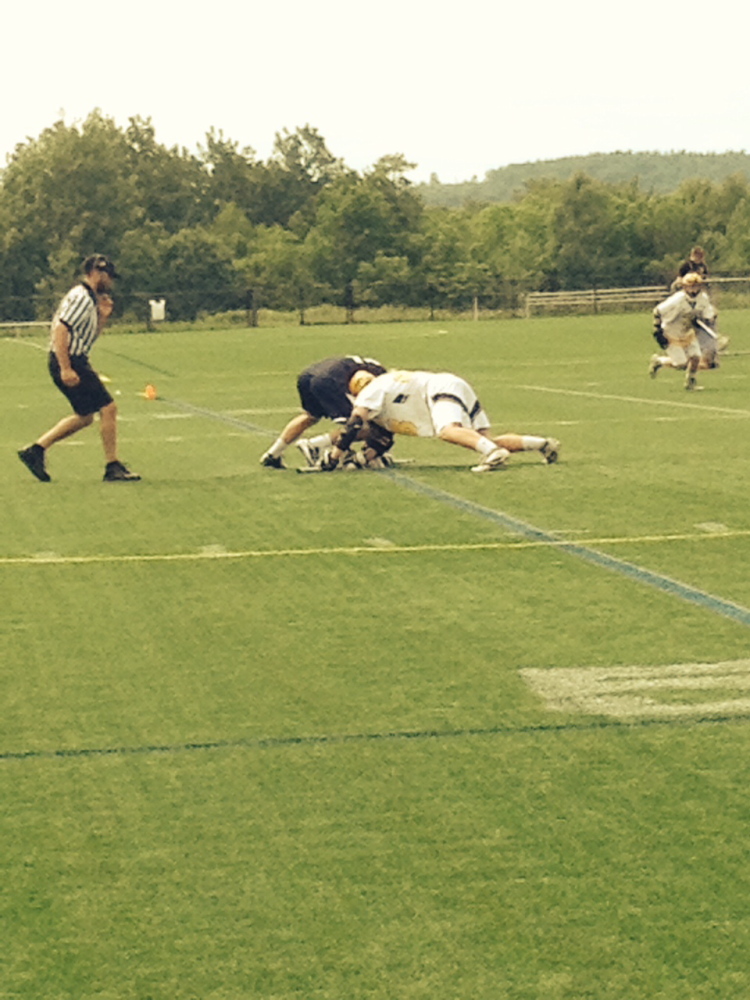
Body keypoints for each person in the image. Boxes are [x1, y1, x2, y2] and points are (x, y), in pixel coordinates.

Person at [17, 254, 140, 482]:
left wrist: (102, 317)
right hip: (70, 360)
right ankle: (112, 466)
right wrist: (66, 368)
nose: (111, 282)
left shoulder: (90, 299)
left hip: (75, 359)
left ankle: (36, 451)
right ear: (97, 272)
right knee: (109, 408)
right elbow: (61, 330)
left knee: (85, 416)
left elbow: (88, 338)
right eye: (108, 276)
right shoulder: (81, 297)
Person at [317, 369, 560, 473]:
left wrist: (334, 457)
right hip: (451, 383)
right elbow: (381, 440)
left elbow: (354, 425)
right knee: (482, 439)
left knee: (447, 431)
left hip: (439, 388)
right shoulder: (387, 387)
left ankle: (494, 454)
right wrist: (362, 459)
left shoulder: (372, 391)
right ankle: (541, 444)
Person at [260, 355, 389, 469]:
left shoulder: (379, 372)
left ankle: (273, 454)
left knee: (311, 415)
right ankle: (315, 445)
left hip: (309, 374)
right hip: (331, 381)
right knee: (362, 426)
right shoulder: (384, 384)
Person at [649, 272, 719, 390]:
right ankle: (659, 361)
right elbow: (658, 311)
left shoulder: (703, 299)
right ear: (684, 287)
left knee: (696, 357)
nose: (693, 289)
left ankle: (690, 382)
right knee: (680, 364)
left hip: (687, 332)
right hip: (671, 333)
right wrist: (657, 329)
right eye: (690, 286)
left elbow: (708, 315)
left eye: (696, 286)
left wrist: (706, 321)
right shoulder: (678, 299)